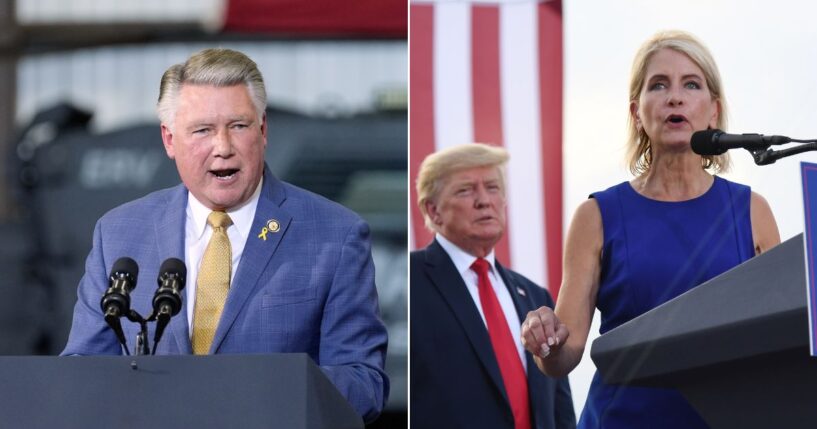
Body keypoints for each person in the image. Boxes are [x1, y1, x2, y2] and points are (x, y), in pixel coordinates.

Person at [61, 48, 389, 423]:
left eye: (238, 126)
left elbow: (364, 383)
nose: (223, 147)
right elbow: (81, 370)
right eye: (203, 130)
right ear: (169, 139)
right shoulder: (119, 233)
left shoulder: (335, 234)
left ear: (263, 130)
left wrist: (264, 391)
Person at [520, 30, 781, 428]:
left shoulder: (752, 210)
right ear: (636, 113)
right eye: (658, 85)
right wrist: (547, 339)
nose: (675, 97)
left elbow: (780, 335)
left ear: (713, 110)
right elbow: (562, 357)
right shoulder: (596, 215)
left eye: (691, 84)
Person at [411, 143, 576, 429]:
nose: (484, 200)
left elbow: (560, 412)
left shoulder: (535, 296)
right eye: (465, 190)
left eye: (492, 188)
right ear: (433, 210)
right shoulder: (412, 281)